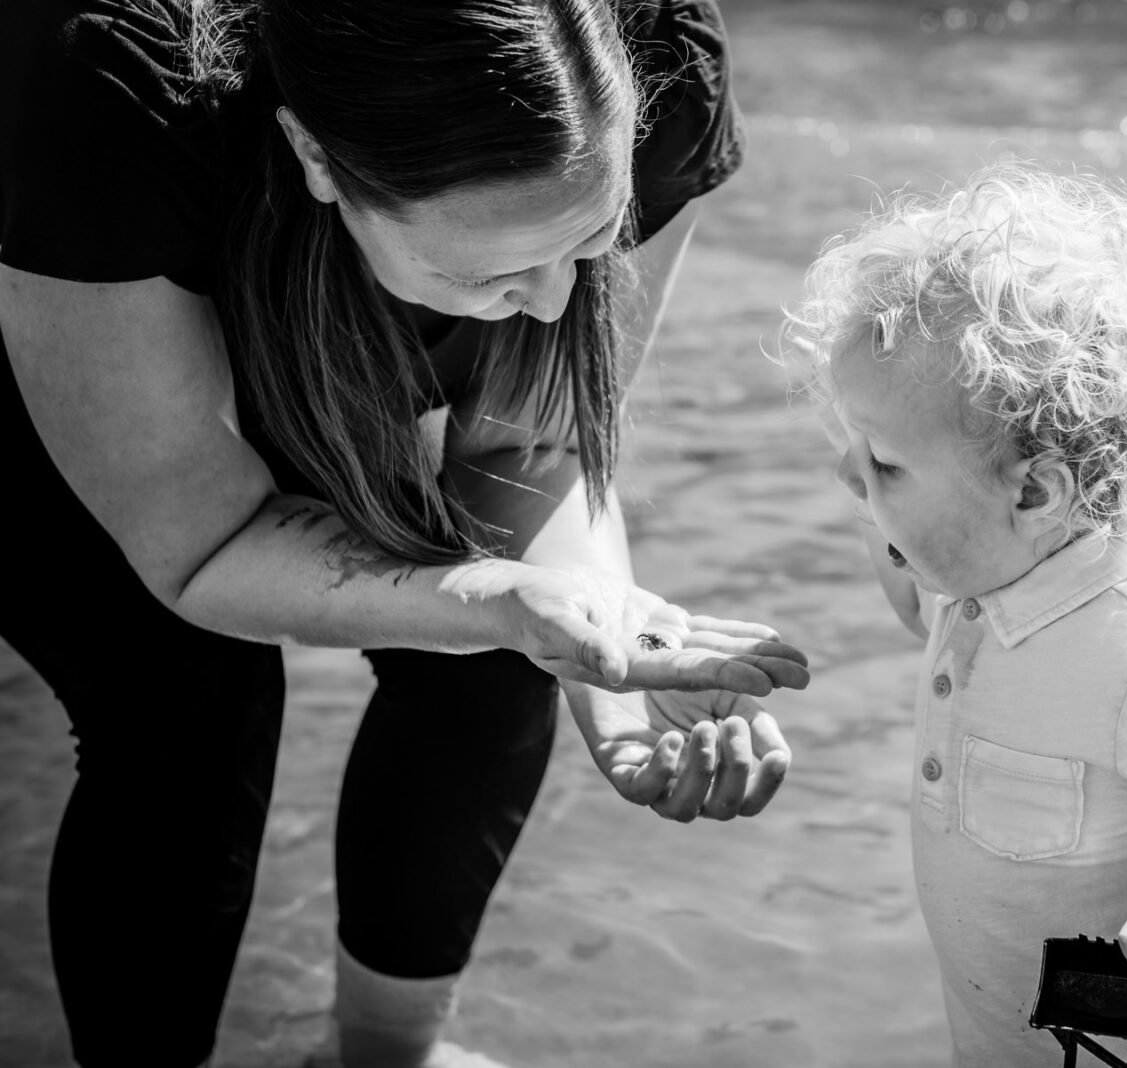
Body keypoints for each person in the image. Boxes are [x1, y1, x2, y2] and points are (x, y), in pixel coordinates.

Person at [0, 1, 809, 1065]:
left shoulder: (653, 63)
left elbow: (530, 448)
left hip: (298, 256)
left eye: (593, 238)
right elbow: (197, 546)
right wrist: (484, 599)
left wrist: (594, 646)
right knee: (184, 706)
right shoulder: (118, 86)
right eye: (486, 274)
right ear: (315, 159)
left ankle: (382, 1053)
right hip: (78, 332)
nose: (554, 302)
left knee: (507, 628)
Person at [780, 162, 1127, 1067]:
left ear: (1035, 490)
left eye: (883, 464)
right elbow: (919, 575)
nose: (849, 477)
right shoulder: (971, 578)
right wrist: (892, 527)